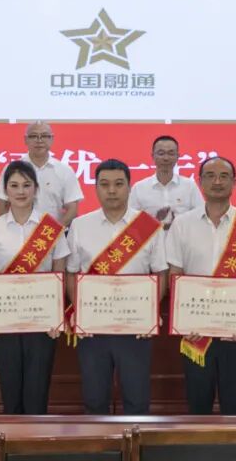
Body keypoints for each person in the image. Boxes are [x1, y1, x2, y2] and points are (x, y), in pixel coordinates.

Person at [166, 156, 236, 414]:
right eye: (210, 176)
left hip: (234, 331)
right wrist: (182, 321)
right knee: (198, 403)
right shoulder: (182, 224)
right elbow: (175, 274)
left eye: (224, 176)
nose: (217, 182)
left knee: (235, 404)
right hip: (194, 330)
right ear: (200, 182)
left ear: (234, 182)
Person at [66, 158, 168, 415]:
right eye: (104, 184)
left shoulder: (148, 227)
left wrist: (149, 313)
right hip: (93, 328)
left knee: (137, 400)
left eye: (119, 184)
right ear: (95, 188)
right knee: (94, 399)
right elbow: (71, 273)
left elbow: (161, 273)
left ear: (130, 187)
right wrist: (80, 311)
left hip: (135, 328)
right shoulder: (80, 225)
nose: (112, 190)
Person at [0, 160, 70, 414]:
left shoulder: (51, 228)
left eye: (26, 185)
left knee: (37, 394)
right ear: (5, 190)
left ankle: (35, 440)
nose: (21, 191)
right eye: (14, 185)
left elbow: (59, 276)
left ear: (36, 189)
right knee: (11, 395)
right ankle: (10, 440)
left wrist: (56, 317)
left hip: (42, 324)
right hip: (5, 321)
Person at [0, 121, 83, 225]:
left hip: (52, 233)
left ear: (51, 139)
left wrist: (54, 232)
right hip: (17, 232)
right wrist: (11, 229)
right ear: (25, 140)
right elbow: (1, 207)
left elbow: (72, 209)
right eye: (33, 136)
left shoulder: (64, 170)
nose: (39, 140)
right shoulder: (12, 169)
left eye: (44, 136)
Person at [130, 135, 204, 228]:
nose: (166, 158)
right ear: (153, 156)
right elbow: (130, 222)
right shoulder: (139, 188)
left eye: (171, 153)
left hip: (183, 236)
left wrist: (179, 223)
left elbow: (201, 216)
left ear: (178, 157)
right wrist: (155, 223)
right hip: (151, 237)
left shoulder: (189, 186)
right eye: (161, 153)